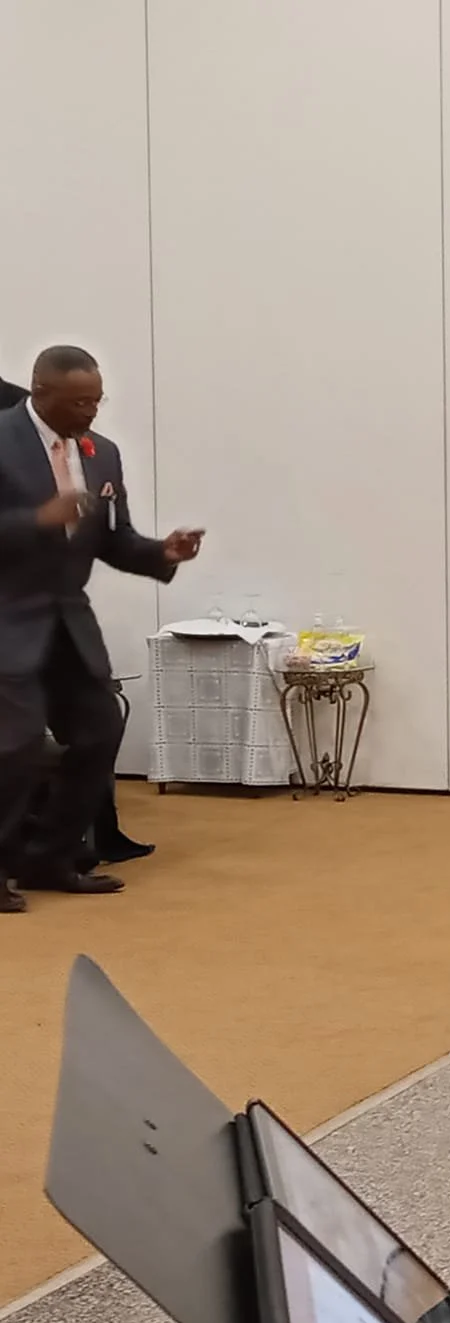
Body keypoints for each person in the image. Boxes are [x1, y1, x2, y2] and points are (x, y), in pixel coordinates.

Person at [0, 345, 204, 913]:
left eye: (95, 399)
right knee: (12, 746)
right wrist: (35, 520)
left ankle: (50, 858)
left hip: (68, 618)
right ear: (39, 392)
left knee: (97, 733)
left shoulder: (101, 452)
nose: (90, 412)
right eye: (77, 402)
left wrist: (162, 552)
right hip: (7, 618)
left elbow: (114, 540)